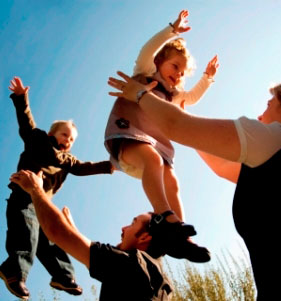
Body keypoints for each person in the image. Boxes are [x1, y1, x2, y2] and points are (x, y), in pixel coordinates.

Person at [108, 72, 281, 300]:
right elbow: (219, 163)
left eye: (269, 105)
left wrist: (139, 93)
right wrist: (183, 115)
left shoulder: (280, 137)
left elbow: (176, 126)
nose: (259, 114)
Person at [104, 10, 218, 263]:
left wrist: (207, 78)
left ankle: (180, 238)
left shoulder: (174, 95)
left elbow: (191, 98)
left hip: (155, 148)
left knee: (173, 182)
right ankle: (164, 217)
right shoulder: (145, 71)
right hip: (129, 138)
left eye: (182, 72)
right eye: (174, 66)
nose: (177, 74)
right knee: (153, 160)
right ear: (159, 62)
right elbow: (148, 48)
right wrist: (172, 30)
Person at [0, 77, 114, 300]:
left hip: (42, 205)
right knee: (27, 234)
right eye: (65, 135)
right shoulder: (39, 140)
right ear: (53, 134)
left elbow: (83, 167)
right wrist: (21, 98)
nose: (68, 141)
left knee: (52, 238)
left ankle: (63, 276)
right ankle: (14, 270)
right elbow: (26, 123)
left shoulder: (68, 161)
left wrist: (111, 166)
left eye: (71, 139)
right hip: (23, 198)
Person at [9, 169, 173, 300]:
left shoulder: (133, 264)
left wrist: (35, 189)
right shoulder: (157, 279)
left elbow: (56, 231)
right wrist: (73, 230)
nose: (123, 228)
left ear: (144, 237)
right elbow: (88, 255)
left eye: (132, 223)